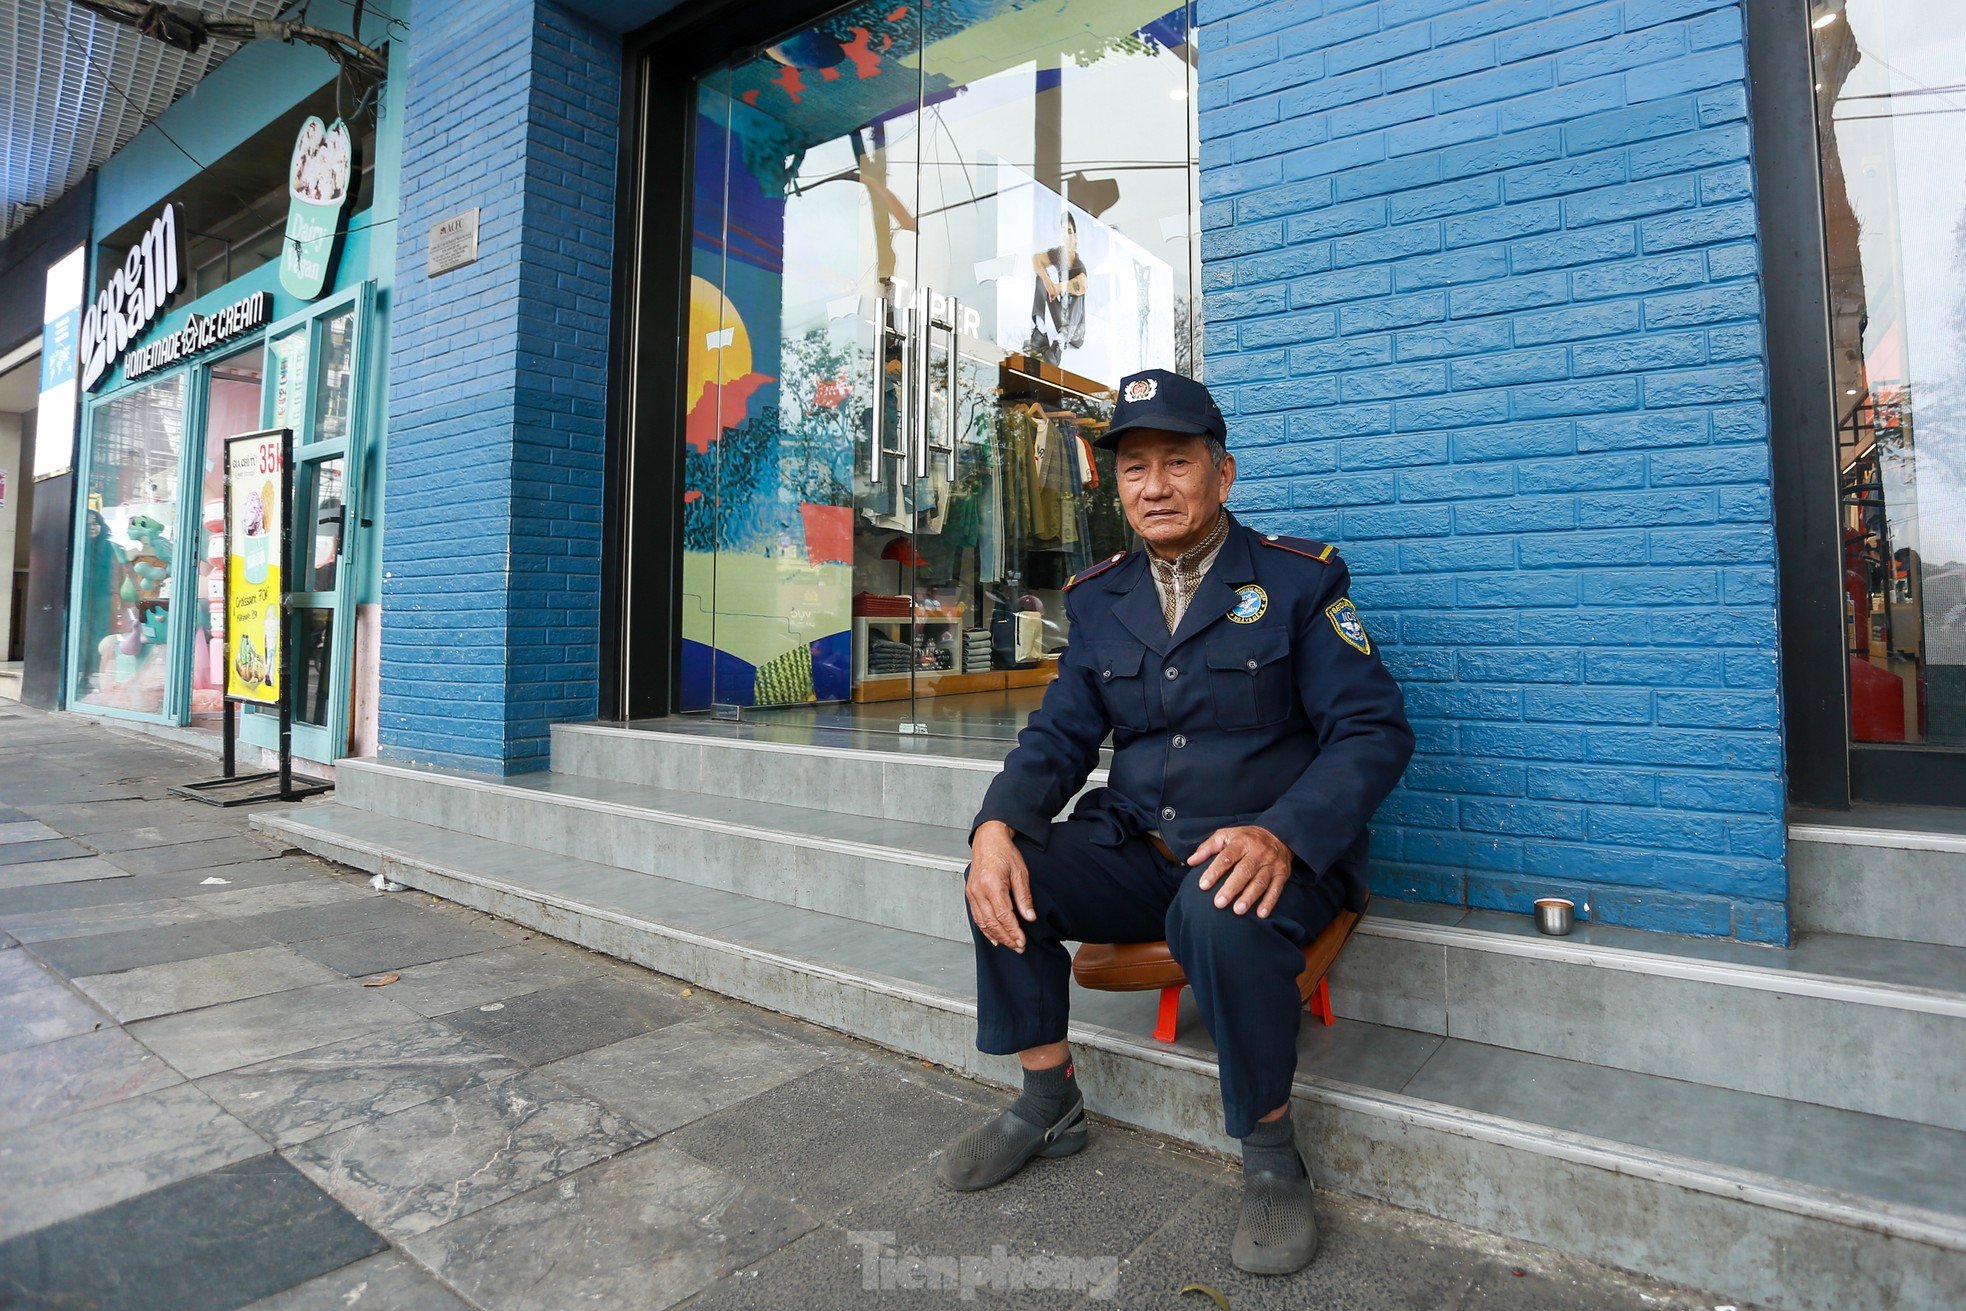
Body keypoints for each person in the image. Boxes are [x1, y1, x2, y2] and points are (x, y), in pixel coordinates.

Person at [936, 368, 1415, 1275]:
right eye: (1133, 469)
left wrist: (1286, 831)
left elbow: (1373, 730)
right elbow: (1060, 735)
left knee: (1217, 904)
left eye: (1176, 463)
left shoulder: (1296, 582)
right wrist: (995, 824)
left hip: (1267, 850)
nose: (1153, 485)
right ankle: (1049, 1100)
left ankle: (1272, 1153)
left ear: (1222, 475)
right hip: (1140, 844)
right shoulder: (1101, 598)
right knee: (1003, 869)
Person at [1028, 211, 1088, 365]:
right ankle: (1040, 331)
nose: (1066, 236)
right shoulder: (1058, 255)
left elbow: (1082, 285)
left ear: (1075, 237)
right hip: (1061, 317)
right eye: (1063, 232)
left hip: (1075, 331)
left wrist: (1058, 287)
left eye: (1069, 231)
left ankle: (1059, 344)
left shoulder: (1079, 265)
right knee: (1041, 277)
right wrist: (1047, 281)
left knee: (1077, 292)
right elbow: (1036, 259)